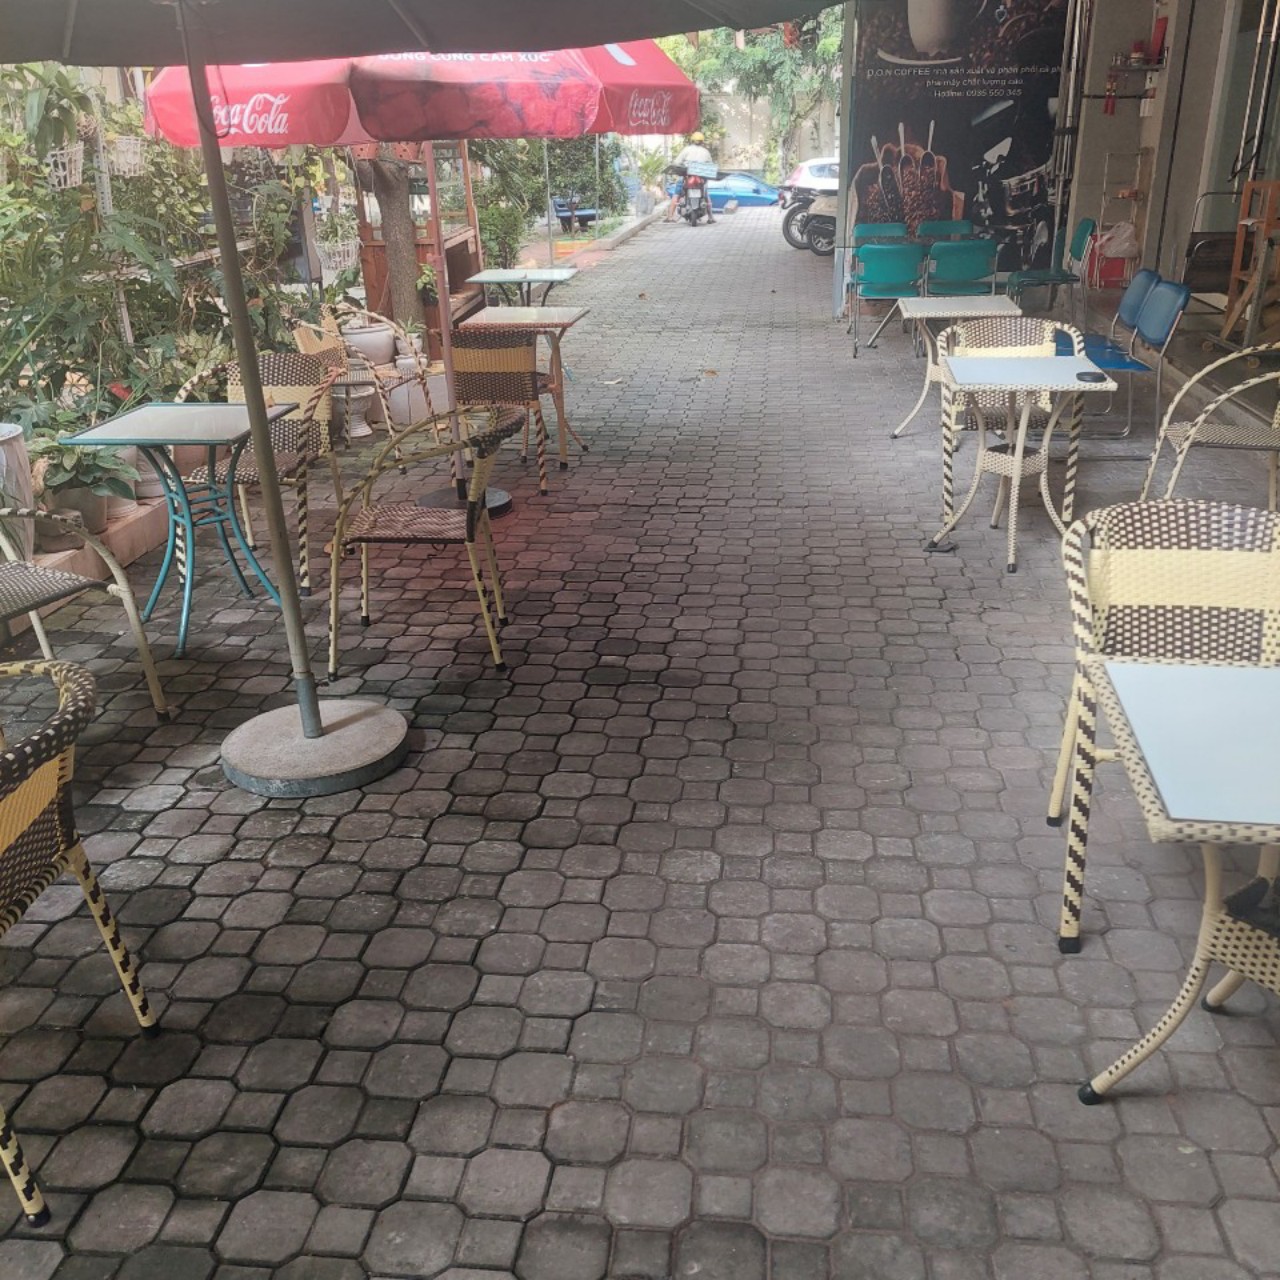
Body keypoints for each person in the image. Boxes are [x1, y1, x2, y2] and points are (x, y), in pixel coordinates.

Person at [666, 131, 716, 224]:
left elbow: (677, 162)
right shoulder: (705, 152)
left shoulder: (686, 150)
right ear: (702, 141)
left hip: (687, 175)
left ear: (692, 140)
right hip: (701, 177)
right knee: (706, 195)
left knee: (676, 194)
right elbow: (710, 164)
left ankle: (670, 217)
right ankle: (711, 217)